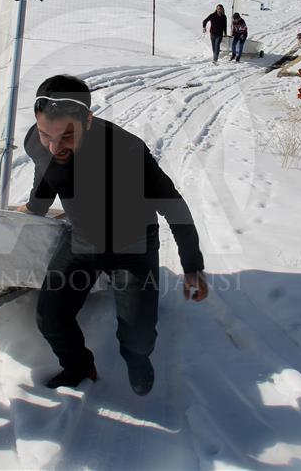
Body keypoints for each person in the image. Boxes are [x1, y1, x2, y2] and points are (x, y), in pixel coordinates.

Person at [19, 74, 208, 396]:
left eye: (66, 136)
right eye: (45, 134)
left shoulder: (126, 150)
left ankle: (137, 359)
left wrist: (192, 266)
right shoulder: (38, 143)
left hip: (132, 243)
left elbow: (173, 207)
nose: (53, 146)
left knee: (139, 333)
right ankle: (78, 364)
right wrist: (35, 207)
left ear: (88, 121)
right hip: (82, 238)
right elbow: (46, 173)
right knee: (50, 315)